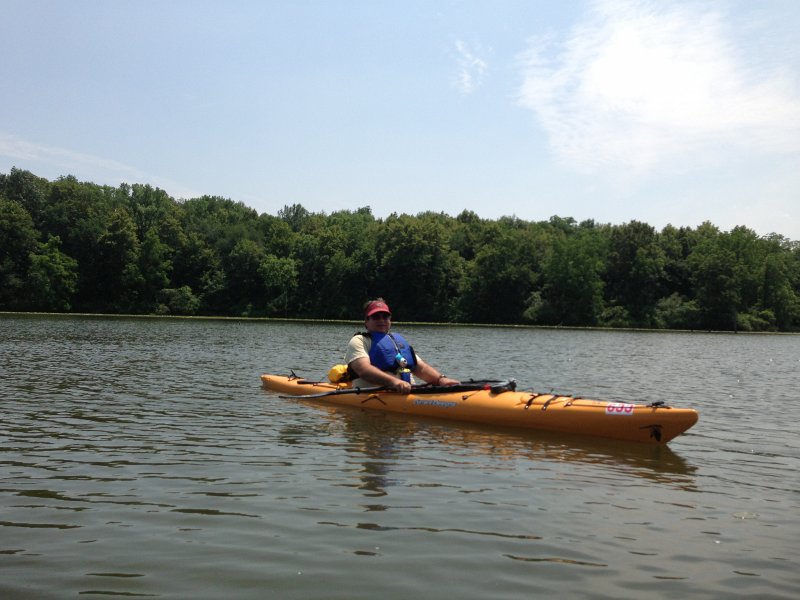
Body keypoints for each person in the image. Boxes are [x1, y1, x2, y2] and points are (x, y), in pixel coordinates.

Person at [345, 298, 460, 394]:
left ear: (390, 320)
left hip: (408, 392)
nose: (381, 320)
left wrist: (441, 380)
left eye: (385, 316)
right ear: (366, 321)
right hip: (376, 394)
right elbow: (364, 370)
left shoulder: (396, 341)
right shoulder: (360, 340)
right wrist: (394, 382)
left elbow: (420, 368)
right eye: (376, 317)